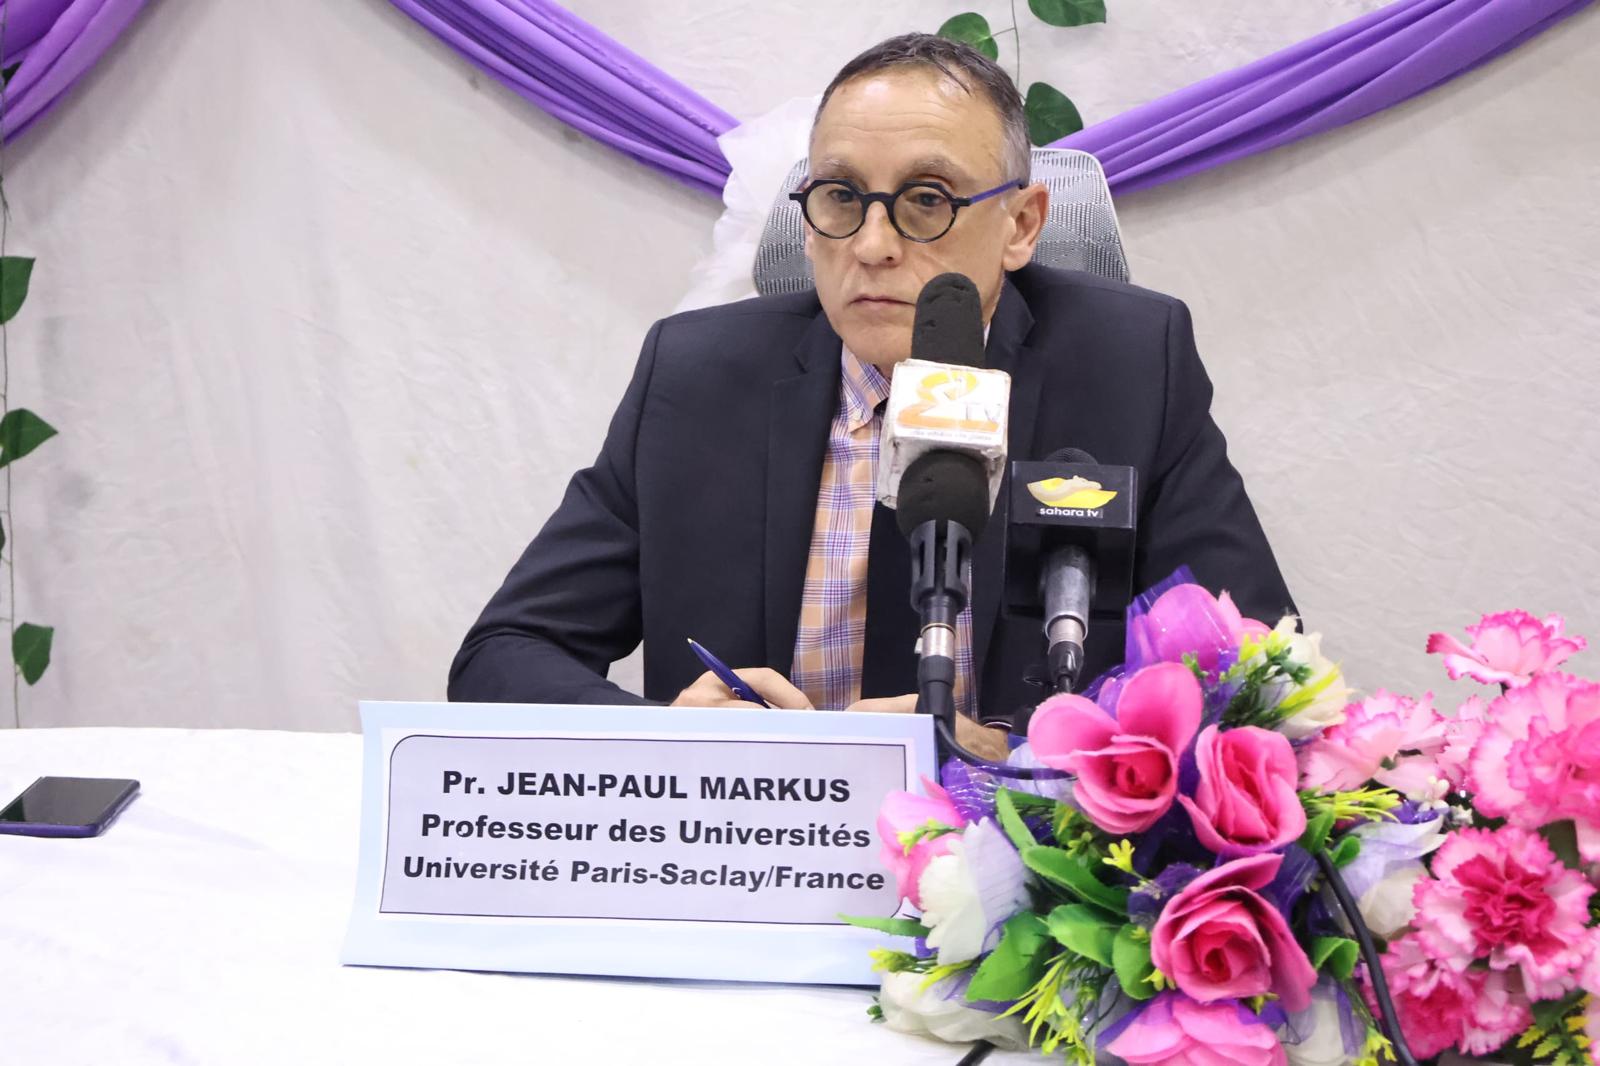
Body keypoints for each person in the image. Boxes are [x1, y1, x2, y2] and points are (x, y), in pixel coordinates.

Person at [449, 34, 1295, 758]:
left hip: (1018, 874)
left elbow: (1263, 683)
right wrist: (672, 738)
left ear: (1023, 225)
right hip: (759, 865)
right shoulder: (696, 379)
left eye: (927, 200)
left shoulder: (1129, 369)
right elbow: (502, 656)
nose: (875, 245)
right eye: (841, 198)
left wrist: (1022, 751)